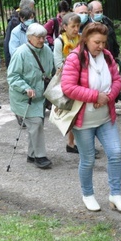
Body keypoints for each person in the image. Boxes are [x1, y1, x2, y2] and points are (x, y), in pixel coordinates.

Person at [61, 22, 121, 212]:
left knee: (115, 154)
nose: (101, 46)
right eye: (96, 42)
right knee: (88, 159)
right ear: (86, 40)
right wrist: (94, 96)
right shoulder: (75, 58)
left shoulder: (107, 56)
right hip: (84, 121)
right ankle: (88, 194)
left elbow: (117, 80)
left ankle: (115, 195)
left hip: (105, 117)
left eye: (103, 42)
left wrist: (107, 96)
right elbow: (68, 87)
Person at [7, 23, 54, 169]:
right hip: (23, 98)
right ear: (29, 38)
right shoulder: (20, 53)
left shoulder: (46, 50)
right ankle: (40, 157)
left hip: (40, 96)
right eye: (38, 37)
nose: (42, 40)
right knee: (36, 123)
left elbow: (51, 69)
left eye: (43, 37)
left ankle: (31, 155)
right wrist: (25, 88)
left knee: (36, 126)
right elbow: (12, 76)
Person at [53, 12, 81, 153]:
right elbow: (58, 64)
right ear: (64, 27)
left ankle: (73, 142)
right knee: (71, 113)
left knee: (79, 113)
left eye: (78, 26)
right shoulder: (60, 42)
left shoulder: (81, 39)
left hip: (81, 80)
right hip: (68, 81)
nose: (76, 29)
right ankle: (71, 142)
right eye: (73, 26)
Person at [4, 0, 35, 67]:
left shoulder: (33, 20)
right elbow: (8, 45)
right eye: (32, 7)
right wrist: (9, 65)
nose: (33, 9)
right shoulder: (13, 23)